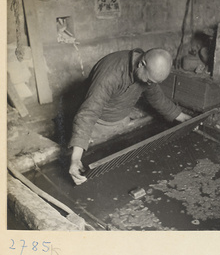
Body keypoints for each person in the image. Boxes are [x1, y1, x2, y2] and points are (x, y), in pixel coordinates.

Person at [69, 48, 191, 185]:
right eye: (150, 81)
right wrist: (75, 159)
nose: (150, 84)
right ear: (141, 64)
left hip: (121, 121)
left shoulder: (146, 72)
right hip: (98, 127)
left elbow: (156, 97)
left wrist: (180, 116)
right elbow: (88, 113)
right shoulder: (110, 73)